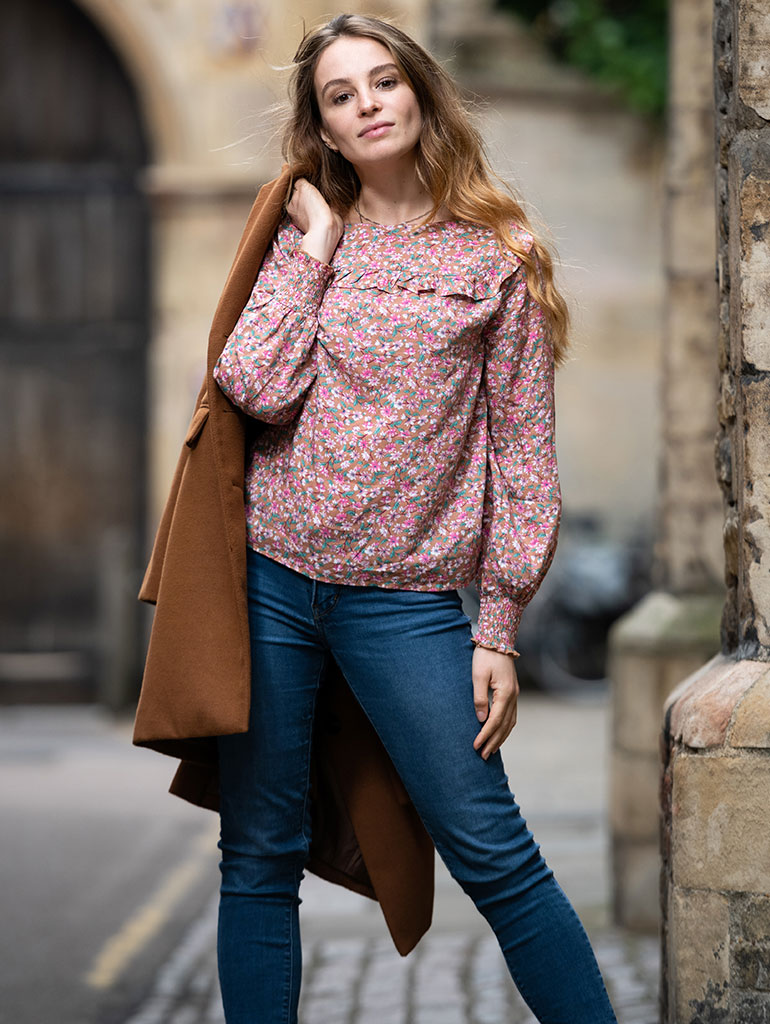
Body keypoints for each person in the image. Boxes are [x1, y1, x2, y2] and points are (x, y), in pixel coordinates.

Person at [199, 13, 616, 1023]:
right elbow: (250, 382)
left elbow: (521, 459)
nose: (368, 103)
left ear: (419, 92)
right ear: (325, 130)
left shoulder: (495, 259)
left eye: (383, 81)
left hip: (407, 603)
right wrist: (318, 246)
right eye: (341, 96)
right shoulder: (301, 239)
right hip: (272, 581)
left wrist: (498, 629)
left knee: (493, 851)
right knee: (258, 855)